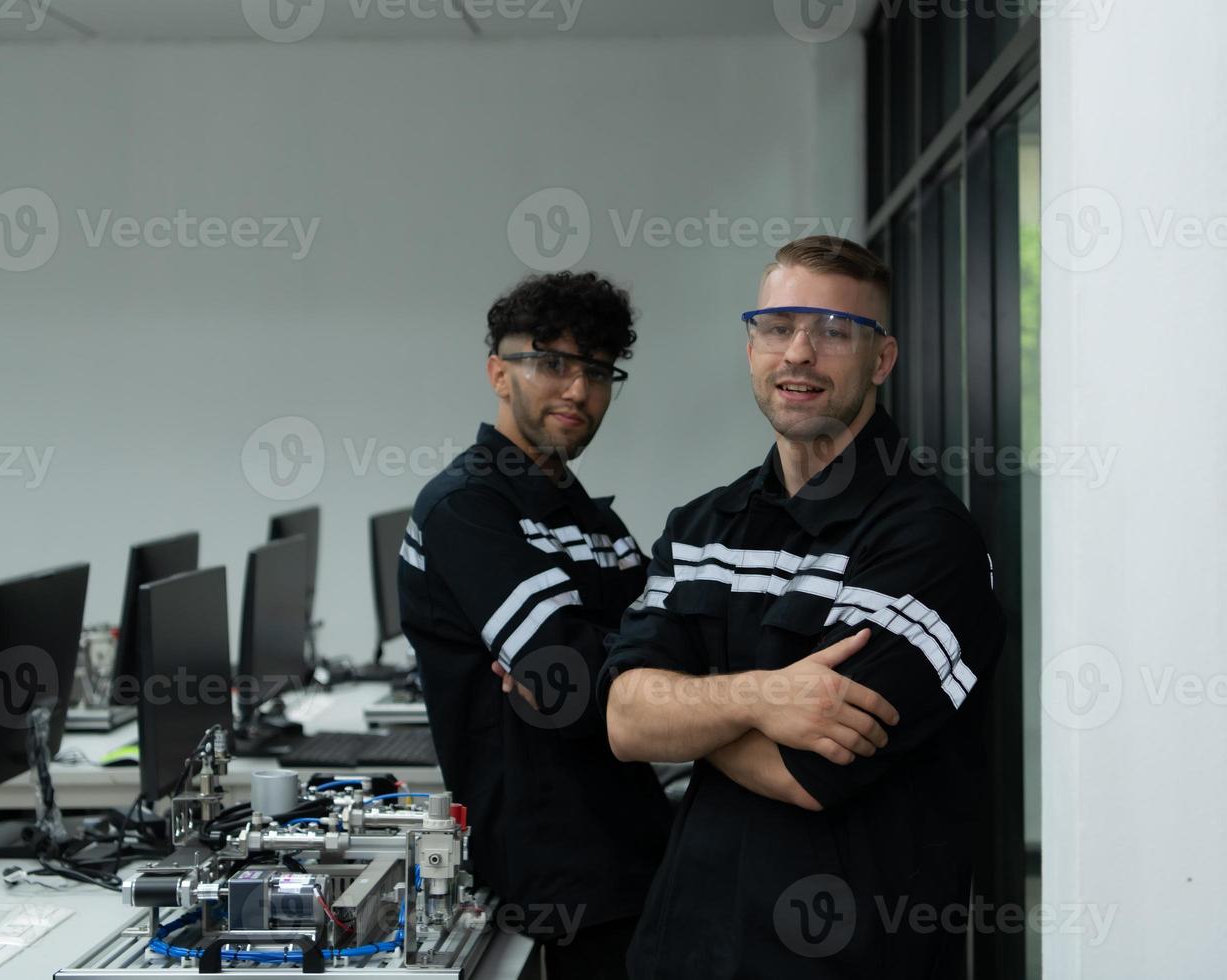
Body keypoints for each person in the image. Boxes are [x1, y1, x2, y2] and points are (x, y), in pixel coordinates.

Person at [600, 236, 1005, 978]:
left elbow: (806, 771)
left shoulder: (929, 542)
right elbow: (625, 721)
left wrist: (687, 708)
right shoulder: (702, 527)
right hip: (685, 947)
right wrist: (764, 695)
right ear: (752, 346)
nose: (799, 354)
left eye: (833, 331)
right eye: (778, 327)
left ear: (881, 359)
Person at [398, 271, 671, 978]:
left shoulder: (588, 517)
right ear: (498, 372)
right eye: (551, 363)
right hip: (559, 885)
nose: (577, 389)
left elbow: (671, 647)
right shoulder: (467, 508)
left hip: (631, 858)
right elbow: (576, 686)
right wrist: (612, 660)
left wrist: (618, 658)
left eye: (597, 370)